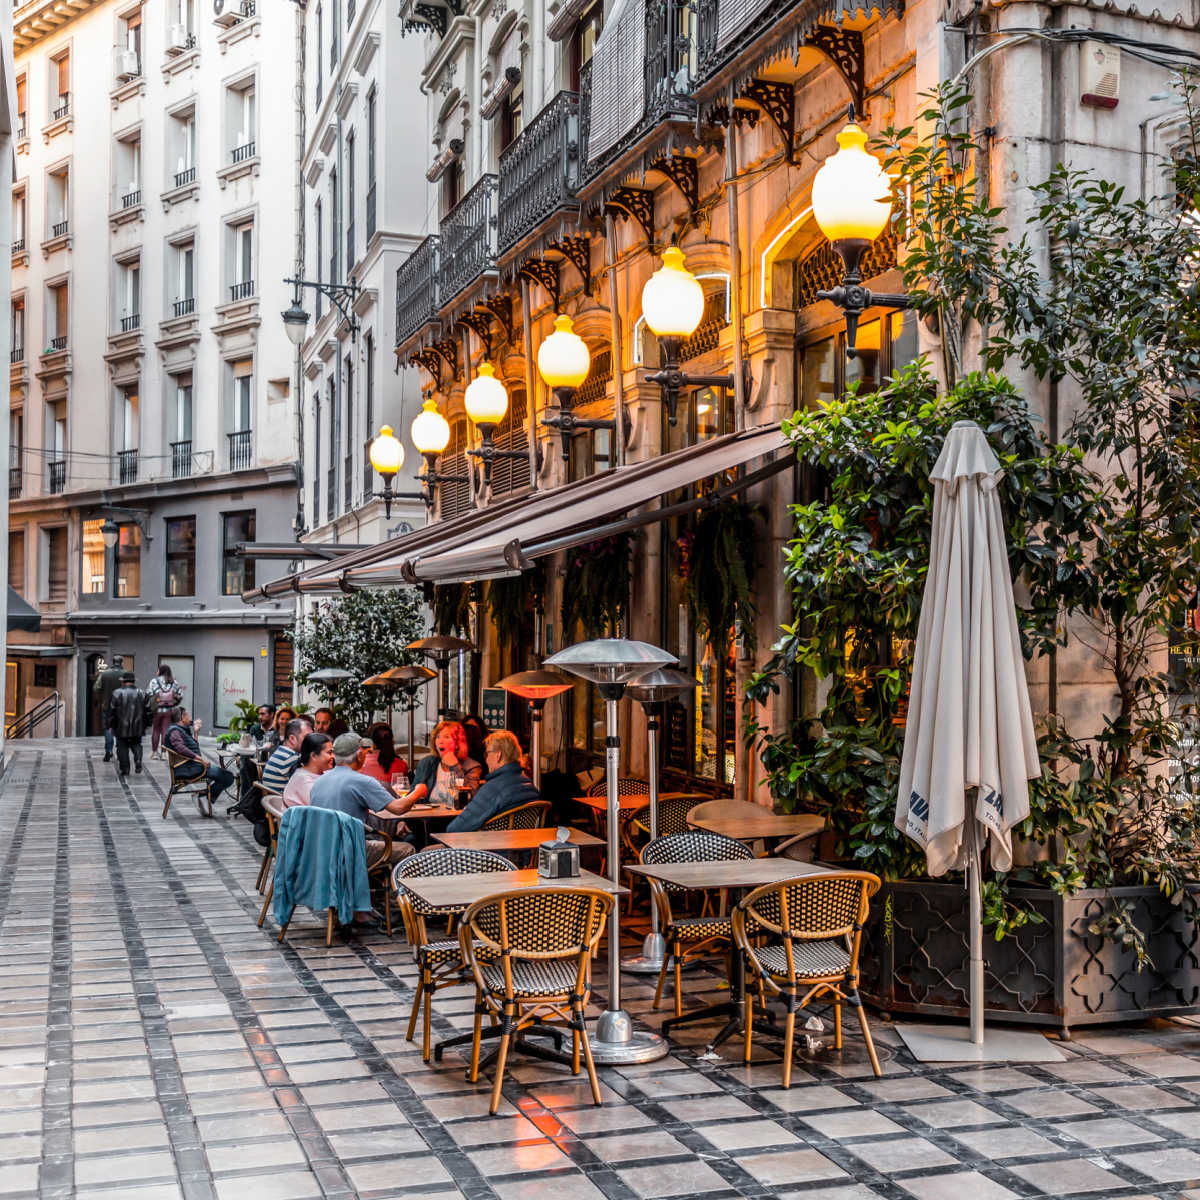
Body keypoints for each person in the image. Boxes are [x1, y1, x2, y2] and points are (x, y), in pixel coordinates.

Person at [309, 732, 418, 866]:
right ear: (360, 755)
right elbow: (399, 808)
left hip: (321, 851)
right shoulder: (361, 781)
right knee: (408, 850)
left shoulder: (319, 781)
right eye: (365, 753)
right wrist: (418, 791)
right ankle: (396, 886)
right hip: (351, 850)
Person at [448, 731, 542, 832]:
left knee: (431, 848)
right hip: (522, 845)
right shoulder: (531, 788)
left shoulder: (493, 789)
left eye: (487, 753)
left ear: (498, 755)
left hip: (485, 846)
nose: (486, 760)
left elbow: (456, 828)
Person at [401, 720, 483, 807]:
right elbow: (412, 798)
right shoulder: (427, 763)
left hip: (455, 817)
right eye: (438, 737)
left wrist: (455, 767)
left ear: (457, 744)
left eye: (446, 737)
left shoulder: (472, 766)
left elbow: (471, 798)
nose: (440, 741)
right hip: (427, 817)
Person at [164, 707, 236, 805]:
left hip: (192, 766)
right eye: (188, 716)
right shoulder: (175, 731)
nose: (190, 718)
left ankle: (205, 797)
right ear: (182, 717)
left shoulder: (180, 730)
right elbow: (181, 748)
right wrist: (200, 759)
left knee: (225, 775)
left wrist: (196, 732)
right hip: (188, 769)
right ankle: (204, 797)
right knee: (228, 777)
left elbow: (193, 749)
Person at [106, 671, 149, 777]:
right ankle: (138, 759)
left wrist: (109, 724)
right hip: (138, 726)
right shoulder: (142, 693)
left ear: (123, 682)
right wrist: (147, 723)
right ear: (133, 681)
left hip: (121, 726)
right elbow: (148, 710)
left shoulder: (116, 693)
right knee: (136, 743)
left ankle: (125, 769)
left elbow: (111, 710)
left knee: (122, 746)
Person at [262, 716, 314, 793]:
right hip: (283, 802)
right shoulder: (291, 758)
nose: (311, 741)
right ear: (292, 739)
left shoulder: (282, 751)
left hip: (275, 800)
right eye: (306, 737)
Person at [282, 732, 334, 807]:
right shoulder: (303, 781)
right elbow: (325, 809)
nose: (333, 756)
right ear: (313, 756)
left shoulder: (323, 772)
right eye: (329, 752)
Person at [145, 665, 182, 760]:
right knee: (165, 730)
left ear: (160, 671)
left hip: (157, 709)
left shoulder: (154, 681)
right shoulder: (174, 682)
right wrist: (174, 702)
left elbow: (148, 693)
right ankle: (164, 754)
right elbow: (180, 695)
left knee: (156, 730)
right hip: (168, 710)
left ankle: (154, 753)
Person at [93, 654, 125, 762]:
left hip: (107, 706)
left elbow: (96, 687)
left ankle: (108, 750)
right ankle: (120, 751)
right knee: (120, 729)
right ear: (121, 662)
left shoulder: (105, 674)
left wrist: (100, 699)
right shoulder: (126, 674)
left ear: (113, 662)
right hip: (122, 707)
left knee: (108, 728)